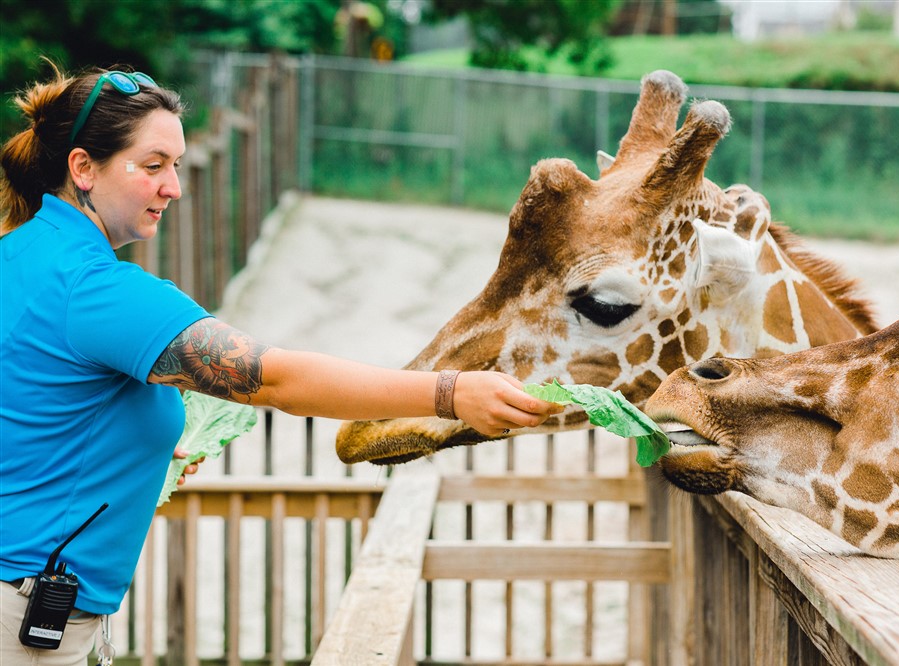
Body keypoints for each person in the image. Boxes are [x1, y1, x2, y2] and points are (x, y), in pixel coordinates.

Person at [0, 62, 562, 663]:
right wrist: (448, 393)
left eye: (177, 166)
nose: (174, 187)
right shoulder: (99, 289)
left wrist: (130, 448)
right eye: (153, 165)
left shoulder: (17, 255)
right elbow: (275, 379)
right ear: (83, 167)